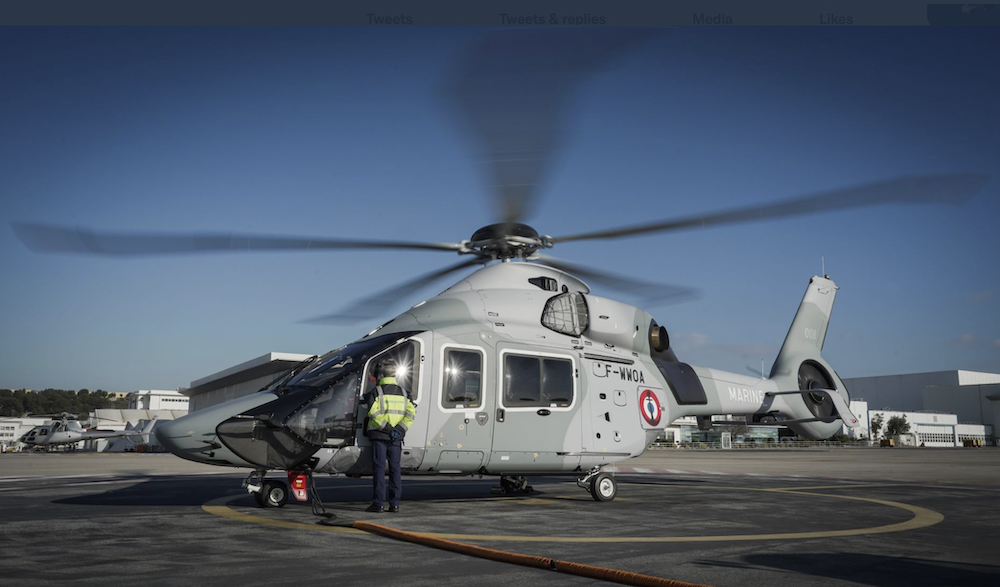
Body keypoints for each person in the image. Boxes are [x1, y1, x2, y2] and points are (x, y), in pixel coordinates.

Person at [364, 356, 416, 513]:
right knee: (395, 470)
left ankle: (378, 503)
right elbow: (411, 414)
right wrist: (398, 430)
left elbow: (374, 413)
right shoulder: (405, 394)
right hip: (396, 438)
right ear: (396, 376)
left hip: (380, 437)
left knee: (379, 470)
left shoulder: (376, 392)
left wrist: (387, 428)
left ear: (381, 375)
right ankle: (395, 504)